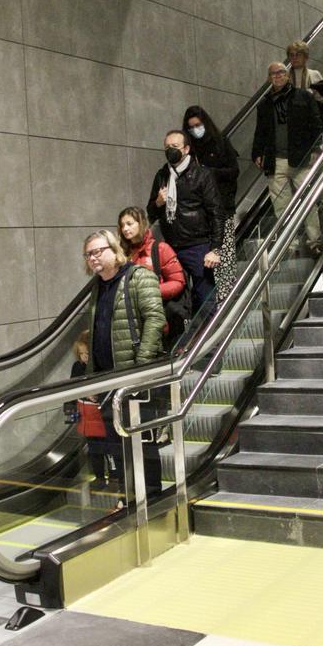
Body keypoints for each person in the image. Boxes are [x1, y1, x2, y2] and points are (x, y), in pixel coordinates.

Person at [80, 229, 166, 492]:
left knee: (142, 441)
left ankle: (150, 495)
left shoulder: (139, 277)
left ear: (114, 249)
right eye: (88, 254)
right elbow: (95, 332)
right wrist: (92, 379)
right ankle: (128, 495)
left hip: (134, 376)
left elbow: (155, 318)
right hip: (107, 379)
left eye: (97, 251)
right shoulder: (97, 286)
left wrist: (141, 365)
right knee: (115, 443)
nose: (92, 258)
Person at [251, 61, 323, 252]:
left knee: (308, 200)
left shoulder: (303, 97)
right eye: (273, 73)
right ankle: (289, 244)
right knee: (281, 206)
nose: (277, 76)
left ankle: (314, 241)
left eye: (281, 72)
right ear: (269, 78)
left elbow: (316, 123)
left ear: (287, 75)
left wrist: (316, 149)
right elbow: (260, 131)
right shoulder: (265, 104)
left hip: (300, 158)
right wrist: (257, 153)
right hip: (274, 161)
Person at [149, 129, 224, 317]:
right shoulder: (161, 175)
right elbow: (150, 213)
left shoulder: (202, 174)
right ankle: (183, 345)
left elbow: (216, 212)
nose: (170, 150)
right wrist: (158, 203)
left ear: (186, 149)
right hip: (172, 247)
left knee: (205, 299)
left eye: (175, 146)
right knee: (175, 303)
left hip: (198, 246)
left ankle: (210, 344)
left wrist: (215, 248)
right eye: (167, 147)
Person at [117, 205, 188, 341]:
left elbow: (178, 281)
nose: (125, 229)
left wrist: (150, 291)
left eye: (129, 224)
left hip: (157, 316)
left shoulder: (160, 248)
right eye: (122, 225)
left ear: (141, 223)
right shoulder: (121, 254)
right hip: (130, 319)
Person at [181, 104, 239, 214]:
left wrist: (209, 172)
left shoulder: (221, 143)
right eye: (191, 128)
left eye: (198, 125)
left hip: (223, 204)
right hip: (200, 208)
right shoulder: (189, 149)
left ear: (205, 123)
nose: (195, 130)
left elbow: (234, 171)